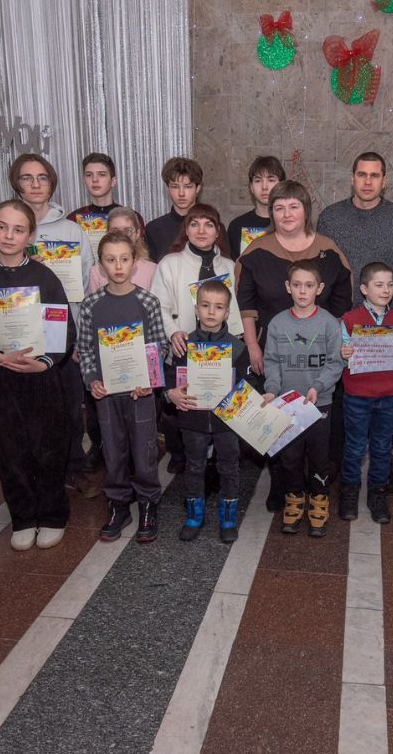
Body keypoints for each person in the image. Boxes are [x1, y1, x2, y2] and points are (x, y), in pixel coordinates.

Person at [0, 199, 74, 551]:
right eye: (2, 227)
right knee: (10, 448)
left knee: (48, 447)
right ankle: (22, 516)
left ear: (30, 235)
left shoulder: (44, 277)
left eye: (18, 229)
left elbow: (62, 329)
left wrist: (46, 362)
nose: (9, 235)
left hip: (40, 376)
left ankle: (52, 514)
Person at [0, 154, 92, 488]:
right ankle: (31, 474)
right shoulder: (0, 228)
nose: (35, 184)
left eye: (42, 177)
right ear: (17, 183)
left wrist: (78, 339)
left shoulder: (72, 230)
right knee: (22, 414)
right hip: (15, 337)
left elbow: (85, 284)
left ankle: (73, 466)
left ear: (51, 182)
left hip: (62, 335)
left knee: (70, 407)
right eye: (27, 178)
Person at [79, 231, 170, 543]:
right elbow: (87, 349)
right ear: (101, 265)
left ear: (134, 263)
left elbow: (159, 346)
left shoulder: (147, 301)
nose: (118, 266)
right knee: (113, 450)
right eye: (110, 259)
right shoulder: (91, 304)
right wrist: (93, 381)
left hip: (140, 393)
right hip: (107, 394)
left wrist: (149, 382)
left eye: (124, 259)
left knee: (144, 449)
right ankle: (118, 504)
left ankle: (147, 502)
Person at [153, 203, 243, 474]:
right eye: (194, 224)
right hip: (183, 346)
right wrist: (173, 332)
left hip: (220, 349)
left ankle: (215, 463)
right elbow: (159, 306)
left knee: (217, 406)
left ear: (218, 231)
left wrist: (237, 346)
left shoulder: (228, 265)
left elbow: (235, 310)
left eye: (208, 224)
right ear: (186, 229)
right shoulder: (170, 263)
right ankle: (184, 457)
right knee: (187, 406)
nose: (201, 230)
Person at [235, 180, 353, 380]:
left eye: (293, 207)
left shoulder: (329, 250)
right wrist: (252, 345)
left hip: (318, 354)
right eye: (279, 208)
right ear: (271, 213)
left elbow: (341, 305)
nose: (286, 214)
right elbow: (245, 305)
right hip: (269, 353)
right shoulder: (255, 252)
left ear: (306, 210)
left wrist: (332, 346)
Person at [166, 279, 254, 543]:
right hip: (192, 417)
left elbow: (246, 385)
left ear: (227, 313)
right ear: (196, 309)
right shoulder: (184, 344)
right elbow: (170, 378)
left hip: (226, 422)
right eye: (205, 306)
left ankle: (228, 518)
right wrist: (169, 393)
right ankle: (194, 515)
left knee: (229, 467)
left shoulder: (238, 348)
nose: (211, 312)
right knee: (193, 466)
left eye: (218, 307)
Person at [263, 259, 344, 536]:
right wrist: (272, 389)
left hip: (319, 404)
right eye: (296, 285)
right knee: (290, 457)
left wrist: (319, 386)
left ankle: (319, 500)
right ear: (288, 287)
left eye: (308, 285)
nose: (302, 291)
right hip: (287, 406)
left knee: (320, 456)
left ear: (319, 288)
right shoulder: (277, 323)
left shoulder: (329, 323)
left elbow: (336, 363)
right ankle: (294, 499)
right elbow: (271, 361)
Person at [339, 261, 393, 524]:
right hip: (358, 395)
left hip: (389, 394)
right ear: (364, 289)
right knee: (355, 447)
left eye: (390, 284)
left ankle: (377, 493)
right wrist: (344, 353)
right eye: (379, 285)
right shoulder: (349, 320)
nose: (386, 290)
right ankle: (349, 492)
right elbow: (342, 354)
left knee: (383, 447)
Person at [316, 151, 393, 312]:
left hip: (388, 322)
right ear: (352, 179)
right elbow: (320, 273)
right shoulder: (330, 218)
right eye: (362, 175)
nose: (368, 182)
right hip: (339, 319)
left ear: (384, 181)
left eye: (375, 176)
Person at [145, 157, 203, 262]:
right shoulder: (153, 228)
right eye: (175, 186)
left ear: (198, 188)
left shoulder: (211, 226)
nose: (181, 193)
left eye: (188, 186)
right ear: (168, 189)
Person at [227, 156, 286, 260]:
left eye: (271, 180)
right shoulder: (237, 226)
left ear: (281, 185)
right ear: (251, 187)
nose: (264, 187)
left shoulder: (291, 223)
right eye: (258, 181)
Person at [87, 207, 155, 293]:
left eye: (128, 230)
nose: (122, 236)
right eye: (115, 231)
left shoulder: (152, 270)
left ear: (137, 233)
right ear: (107, 233)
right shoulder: (96, 272)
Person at [67, 152, 121, 229]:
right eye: (89, 175)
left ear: (113, 181)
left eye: (102, 174)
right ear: (84, 181)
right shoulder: (73, 219)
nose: (94, 179)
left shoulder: (131, 217)